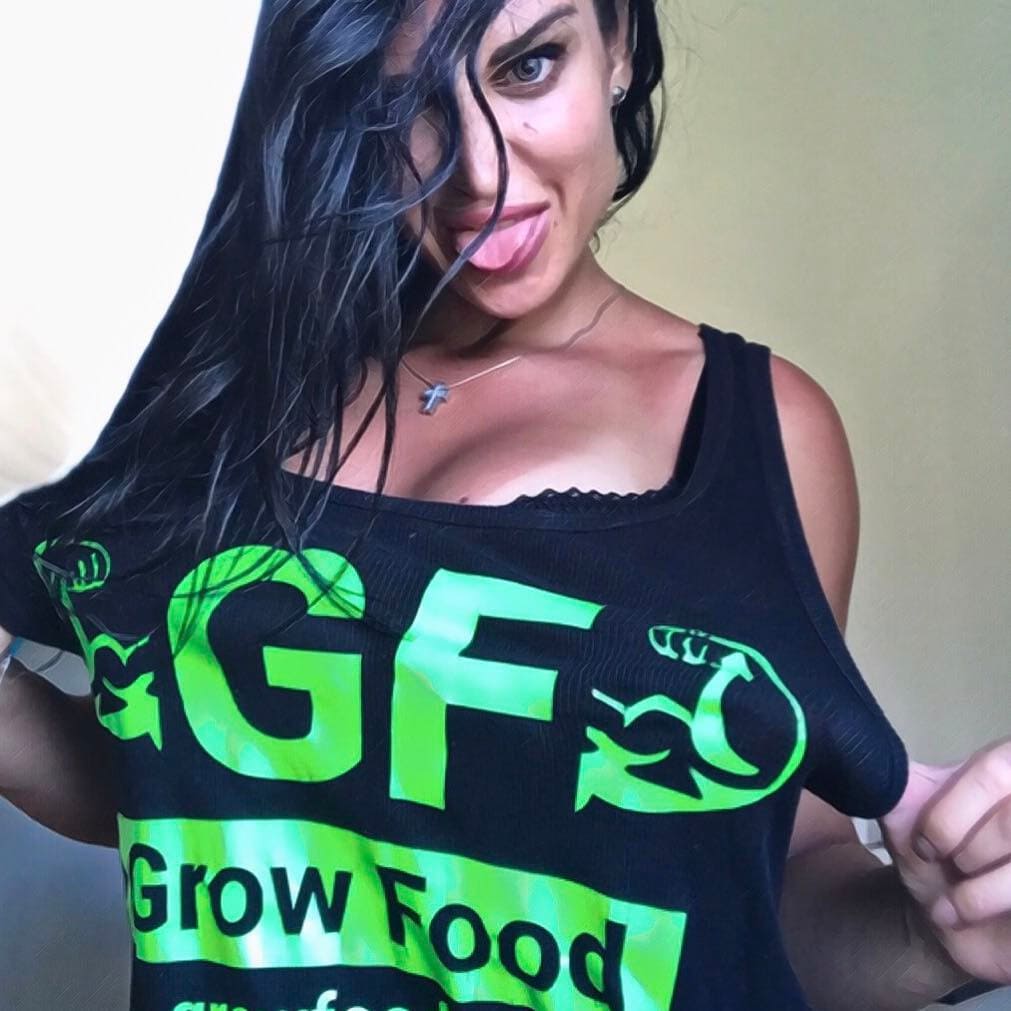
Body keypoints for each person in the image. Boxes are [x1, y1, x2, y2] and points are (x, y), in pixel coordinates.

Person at [0, 1, 1008, 1008]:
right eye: (400, 105)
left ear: (618, 49)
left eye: (528, 66)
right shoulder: (210, 384)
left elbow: (771, 877)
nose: (477, 173)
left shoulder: (756, 433)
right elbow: (165, 772)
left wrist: (929, 935)